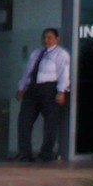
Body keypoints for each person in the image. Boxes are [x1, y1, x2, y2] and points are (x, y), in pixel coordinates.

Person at [16, 26, 71, 162]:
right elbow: (28, 71)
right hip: (33, 89)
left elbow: (63, 73)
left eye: (49, 38)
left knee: (50, 123)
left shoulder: (61, 54)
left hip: (49, 89)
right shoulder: (37, 53)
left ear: (57, 39)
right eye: (44, 38)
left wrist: (61, 91)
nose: (46, 40)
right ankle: (24, 153)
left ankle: (46, 154)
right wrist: (22, 87)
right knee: (24, 120)